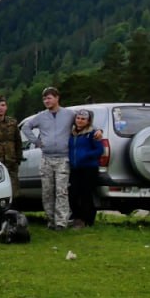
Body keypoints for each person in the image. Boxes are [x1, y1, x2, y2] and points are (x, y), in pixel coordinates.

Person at [22, 87, 101, 231]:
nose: (47, 101)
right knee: (47, 192)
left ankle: (61, 222)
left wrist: (98, 131)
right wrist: (37, 142)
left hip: (63, 159)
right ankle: (51, 220)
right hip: (46, 158)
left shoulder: (69, 114)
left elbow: (84, 122)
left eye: (49, 98)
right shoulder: (41, 116)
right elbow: (26, 127)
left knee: (62, 191)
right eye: (44, 98)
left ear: (57, 98)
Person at [68, 109, 105, 228]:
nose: (80, 121)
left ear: (88, 121)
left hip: (89, 168)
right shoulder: (71, 133)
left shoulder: (93, 134)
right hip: (74, 168)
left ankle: (87, 220)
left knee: (86, 195)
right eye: (78, 118)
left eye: (83, 119)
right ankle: (77, 217)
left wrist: (86, 155)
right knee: (72, 194)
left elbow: (100, 150)